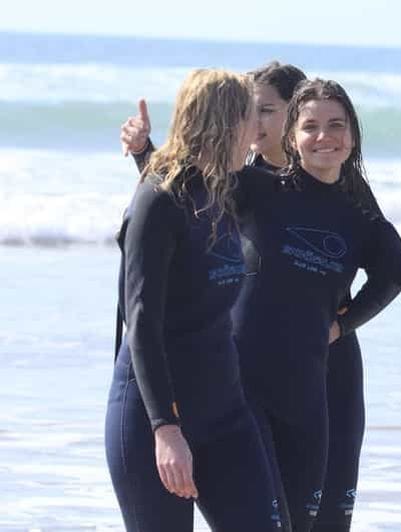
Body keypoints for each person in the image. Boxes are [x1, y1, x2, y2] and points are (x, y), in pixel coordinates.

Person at [121, 61, 401, 531]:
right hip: (242, 377)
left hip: (325, 369)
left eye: (267, 111)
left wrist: (340, 324)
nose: (257, 125)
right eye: (251, 112)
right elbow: (177, 195)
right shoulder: (242, 184)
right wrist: (146, 153)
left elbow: (395, 270)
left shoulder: (342, 183)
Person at [233, 78, 401, 532]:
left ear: (352, 137)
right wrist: (143, 151)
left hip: (308, 399)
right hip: (244, 387)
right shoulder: (254, 189)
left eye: (336, 125)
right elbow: (182, 189)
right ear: (292, 136)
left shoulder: (360, 220)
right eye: (310, 126)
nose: (324, 137)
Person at [105, 69, 281, 531]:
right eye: (250, 118)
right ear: (224, 123)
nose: (257, 132)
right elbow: (141, 323)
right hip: (153, 420)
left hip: (225, 412)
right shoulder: (157, 201)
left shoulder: (220, 189)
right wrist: (165, 428)